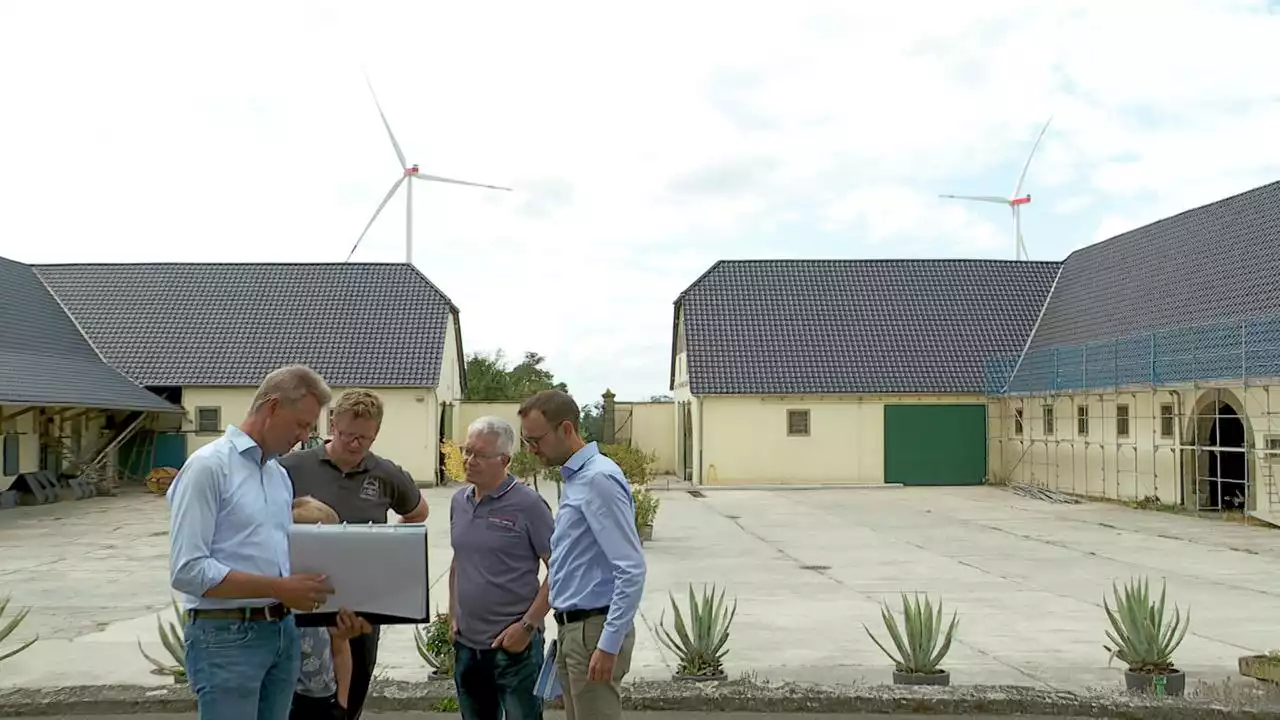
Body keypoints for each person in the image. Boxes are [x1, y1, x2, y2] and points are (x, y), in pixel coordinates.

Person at [167, 364, 338, 720]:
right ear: (272, 407)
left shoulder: (277, 475)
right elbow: (188, 570)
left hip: (281, 633)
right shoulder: (208, 467)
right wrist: (279, 587)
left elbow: (280, 558)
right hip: (226, 636)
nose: (305, 437)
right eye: (301, 424)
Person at [279, 388, 428, 720]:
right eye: (348, 434)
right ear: (333, 424)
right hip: (303, 598)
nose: (355, 443)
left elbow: (418, 513)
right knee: (298, 691)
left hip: (361, 604)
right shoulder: (290, 468)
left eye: (365, 437)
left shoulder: (387, 474)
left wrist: (389, 551)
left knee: (353, 687)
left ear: (376, 433)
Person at [517, 390, 646, 720]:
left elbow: (630, 568)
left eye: (536, 440)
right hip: (574, 630)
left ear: (566, 429)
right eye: (526, 441)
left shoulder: (598, 479)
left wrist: (608, 644)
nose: (532, 449)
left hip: (594, 629)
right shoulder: (579, 479)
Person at [449, 416, 554, 720]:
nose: (469, 460)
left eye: (479, 455)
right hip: (468, 646)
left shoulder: (529, 505)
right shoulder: (459, 501)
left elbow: (559, 570)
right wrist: (454, 614)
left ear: (504, 460)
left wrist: (527, 627)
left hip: (515, 649)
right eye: (466, 451)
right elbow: (459, 560)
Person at [290, 496, 374, 720]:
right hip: (287, 696)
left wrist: (342, 702)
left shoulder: (329, 591)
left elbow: (340, 647)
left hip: (323, 697)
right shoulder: (281, 589)